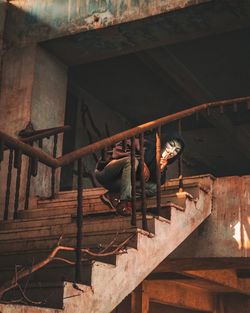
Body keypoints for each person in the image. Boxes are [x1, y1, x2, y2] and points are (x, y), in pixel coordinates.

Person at [94, 130, 184, 216]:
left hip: (120, 182)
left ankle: (112, 195)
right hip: (106, 173)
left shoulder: (161, 161)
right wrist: (140, 162)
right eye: (171, 145)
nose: (172, 150)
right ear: (164, 141)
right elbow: (119, 150)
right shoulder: (145, 144)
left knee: (154, 188)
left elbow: (156, 181)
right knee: (132, 161)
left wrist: (160, 169)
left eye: (177, 150)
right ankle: (124, 202)